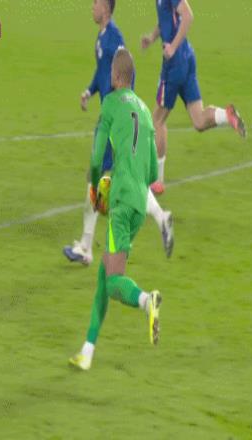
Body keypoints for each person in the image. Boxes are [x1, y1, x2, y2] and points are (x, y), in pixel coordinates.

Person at [69, 48, 162, 371]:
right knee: (103, 276)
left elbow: (97, 159)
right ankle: (87, 351)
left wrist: (97, 188)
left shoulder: (109, 104)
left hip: (120, 203)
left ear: (116, 75)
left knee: (113, 281)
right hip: (138, 205)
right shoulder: (146, 111)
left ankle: (146, 300)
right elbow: (153, 173)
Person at [64, 0, 173, 266]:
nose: (92, 6)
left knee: (94, 176)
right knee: (127, 177)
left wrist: (123, 106)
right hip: (116, 117)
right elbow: (102, 71)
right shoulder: (103, 37)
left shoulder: (115, 39)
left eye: (96, 3)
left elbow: (127, 71)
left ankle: (86, 247)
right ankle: (161, 217)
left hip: (114, 120)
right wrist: (90, 91)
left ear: (106, 8)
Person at [141, 0, 246, 195]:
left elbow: (188, 15)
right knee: (198, 121)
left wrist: (172, 47)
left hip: (174, 64)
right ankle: (227, 115)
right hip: (187, 58)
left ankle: (157, 180)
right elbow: (165, 20)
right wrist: (152, 37)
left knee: (157, 120)